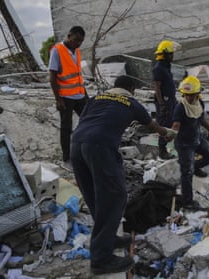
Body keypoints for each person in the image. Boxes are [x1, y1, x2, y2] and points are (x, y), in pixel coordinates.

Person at [70, 75, 175, 275]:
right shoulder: (131, 103)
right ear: (132, 89)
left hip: (76, 143)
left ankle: (107, 239)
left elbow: (84, 120)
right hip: (101, 145)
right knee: (115, 196)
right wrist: (166, 133)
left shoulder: (96, 99)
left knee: (93, 194)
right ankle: (101, 259)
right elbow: (152, 126)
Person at [171, 76, 209, 209]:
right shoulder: (180, 108)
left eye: (192, 95)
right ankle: (187, 201)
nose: (189, 98)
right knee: (187, 173)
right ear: (183, 94)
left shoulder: (199, 104)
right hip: (184, 144)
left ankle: (196, 166)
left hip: (196, 139)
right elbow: (176, 124)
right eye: (187, 95)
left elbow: (200, 117)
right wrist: (171, 134)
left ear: (197, 94)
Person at [49, 26, 88, 165]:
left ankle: (87, 149)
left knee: (89, 119)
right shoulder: (57, 50)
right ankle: (67, 157)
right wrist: (58, 99)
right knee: (66, 127)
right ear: (69, 35)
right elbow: (52, 77)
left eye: (81, 41)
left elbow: (77, 74)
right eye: (76, 40)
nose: (78, 43)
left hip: (80, 94)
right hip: (65, 96)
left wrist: (84, 92)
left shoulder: (76, 51)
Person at [152, 40, 181, 159]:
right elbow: (157, 88)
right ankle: (162, 150)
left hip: (171, 100)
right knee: (164, 123)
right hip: (164, 101)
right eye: (170, 54)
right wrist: (161, 104)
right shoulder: (158, 68)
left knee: (173, 122)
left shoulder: (166, 66)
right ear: (164, 54)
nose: (172, 56)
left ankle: (176, 147)